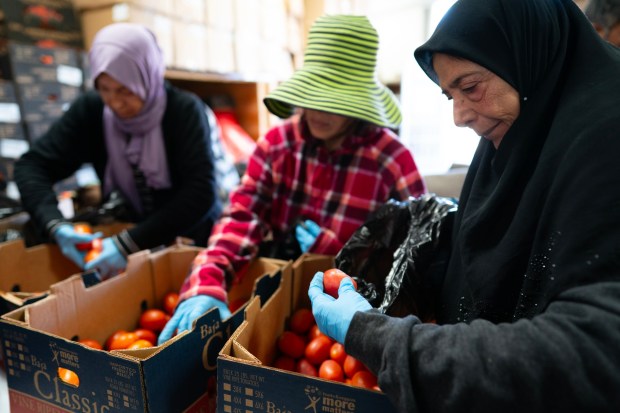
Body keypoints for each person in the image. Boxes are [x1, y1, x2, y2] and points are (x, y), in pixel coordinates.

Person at [309, 0, 620, 412]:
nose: (458, 116)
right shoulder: (516, 138)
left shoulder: (605, 142)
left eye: (470, 87)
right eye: (449, 95)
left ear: (527, 54)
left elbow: (588, 354)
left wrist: (379, 338)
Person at [158, 14, 427, 344]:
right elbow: (241, 219)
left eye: (335, 102)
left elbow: (414, 262)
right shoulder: (277, 146)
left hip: (356, 320)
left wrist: (340, 255)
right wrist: (206, 283)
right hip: (280, 312)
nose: (318, 112)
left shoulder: (393, 163)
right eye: (313, 96)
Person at [14, 23, 222, 279]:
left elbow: (201, 192)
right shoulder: (93, 110)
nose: (115, 102)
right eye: (105, 88)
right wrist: (54, 224)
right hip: (127, 242)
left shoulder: (184, 111)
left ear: (148, 75)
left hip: (189, 240)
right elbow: (32, 166)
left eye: (125, 90)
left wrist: (127, 244)